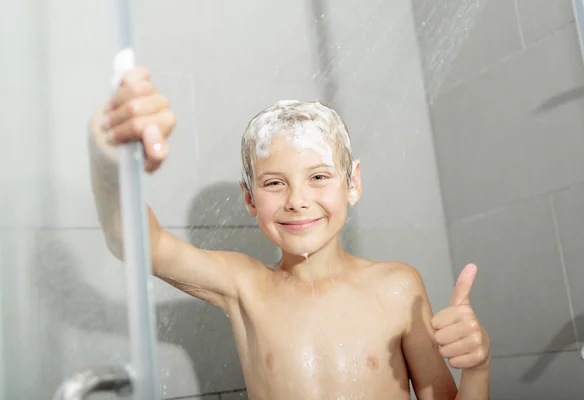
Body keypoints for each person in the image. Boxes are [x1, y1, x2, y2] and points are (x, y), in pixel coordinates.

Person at [89, 66, 491, 400]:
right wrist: (108, 157)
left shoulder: (398, 288)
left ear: (353, 183)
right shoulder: (246, 287)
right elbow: (138, 242)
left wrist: (476, 369)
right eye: (274, 184)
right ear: (250, 200)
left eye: (318, 176)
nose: (297, 200)